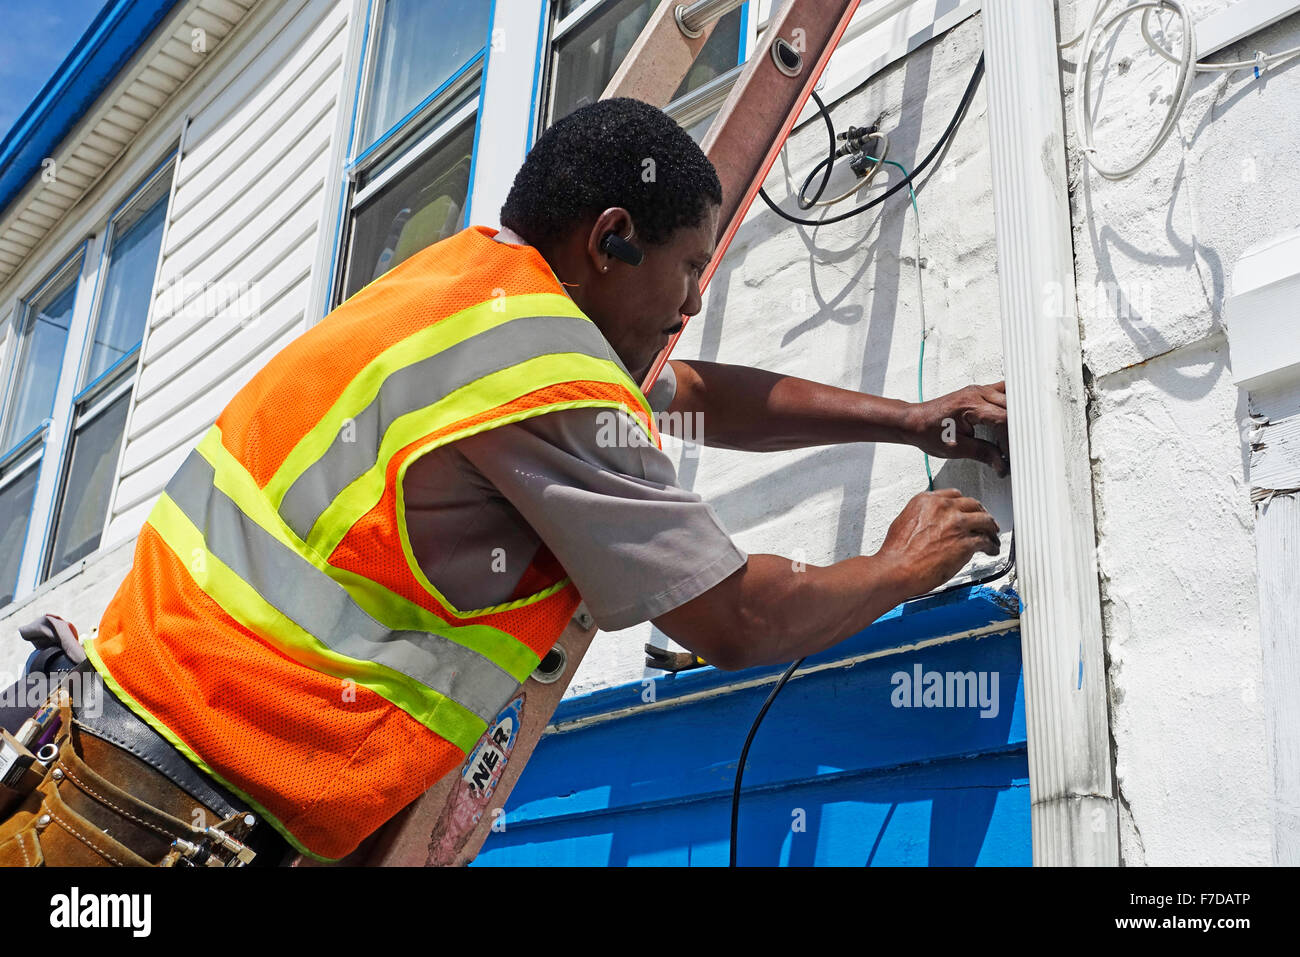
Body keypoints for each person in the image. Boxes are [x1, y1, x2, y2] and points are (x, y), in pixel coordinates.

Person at [0, 98, 1006, 867]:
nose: (693, 301)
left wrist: (907, 419)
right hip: (169, 826)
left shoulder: (460, 290)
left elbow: (683, 393)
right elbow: (735, 619)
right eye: (689, 267)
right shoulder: (538, 372)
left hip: (100, 773)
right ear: (610, 239)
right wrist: (899, 565)